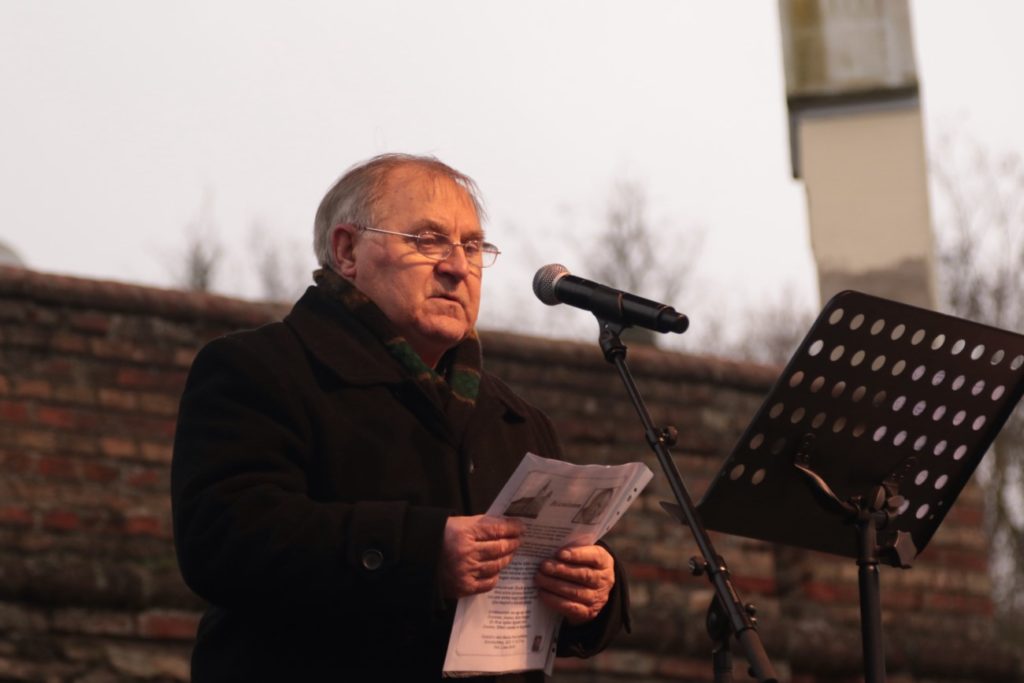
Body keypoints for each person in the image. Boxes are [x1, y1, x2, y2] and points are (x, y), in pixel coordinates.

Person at [171, 153, 630, 681]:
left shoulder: (517, 419)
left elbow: (548, 594)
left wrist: (595, 590)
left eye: (472, 246)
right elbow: (223, 540)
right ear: (347, 251)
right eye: (428, 240)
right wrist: (424, 552)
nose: (457, 266)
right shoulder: (260, 369)